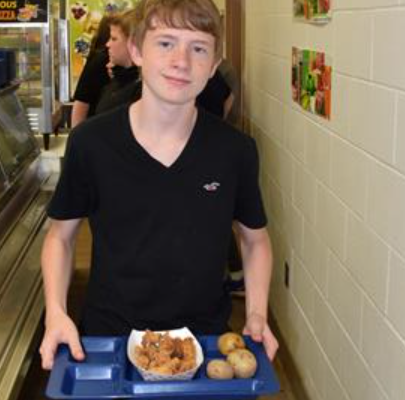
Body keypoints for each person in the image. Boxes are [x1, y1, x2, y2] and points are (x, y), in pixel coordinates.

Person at [39, 0, 278, 370]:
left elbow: (255, 240)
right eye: (165, 43)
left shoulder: (236, 150)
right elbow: (60, 237)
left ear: (214, 65)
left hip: (204, 343)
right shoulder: (91, 143)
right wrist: (55, 312)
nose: (181, 61)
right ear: (136, 51)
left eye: (198, 48)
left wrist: (257, 313)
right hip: (111, 340)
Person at [93, 10, 140, 115]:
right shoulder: (115, 83)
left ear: (132, 44)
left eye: (114, 39)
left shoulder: (140, 92)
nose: (107, 44)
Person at [71, 14, 114, 127]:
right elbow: (82, 100)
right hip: (94, 126)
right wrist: (76, 138)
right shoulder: (100, 60)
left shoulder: (99, 57)